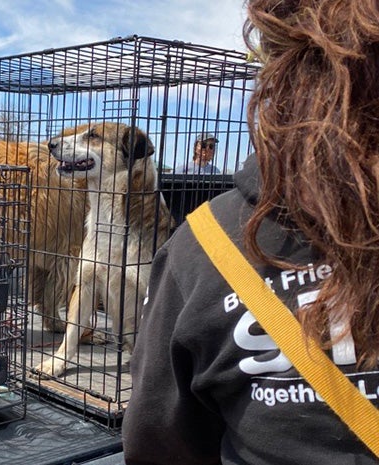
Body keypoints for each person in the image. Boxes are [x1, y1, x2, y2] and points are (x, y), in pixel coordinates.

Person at [122, 0, 379, 464]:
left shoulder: (204, 244)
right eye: (202, 146)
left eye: (207, 145)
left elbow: (155, 442)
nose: (204, 152)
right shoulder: (200, 233)